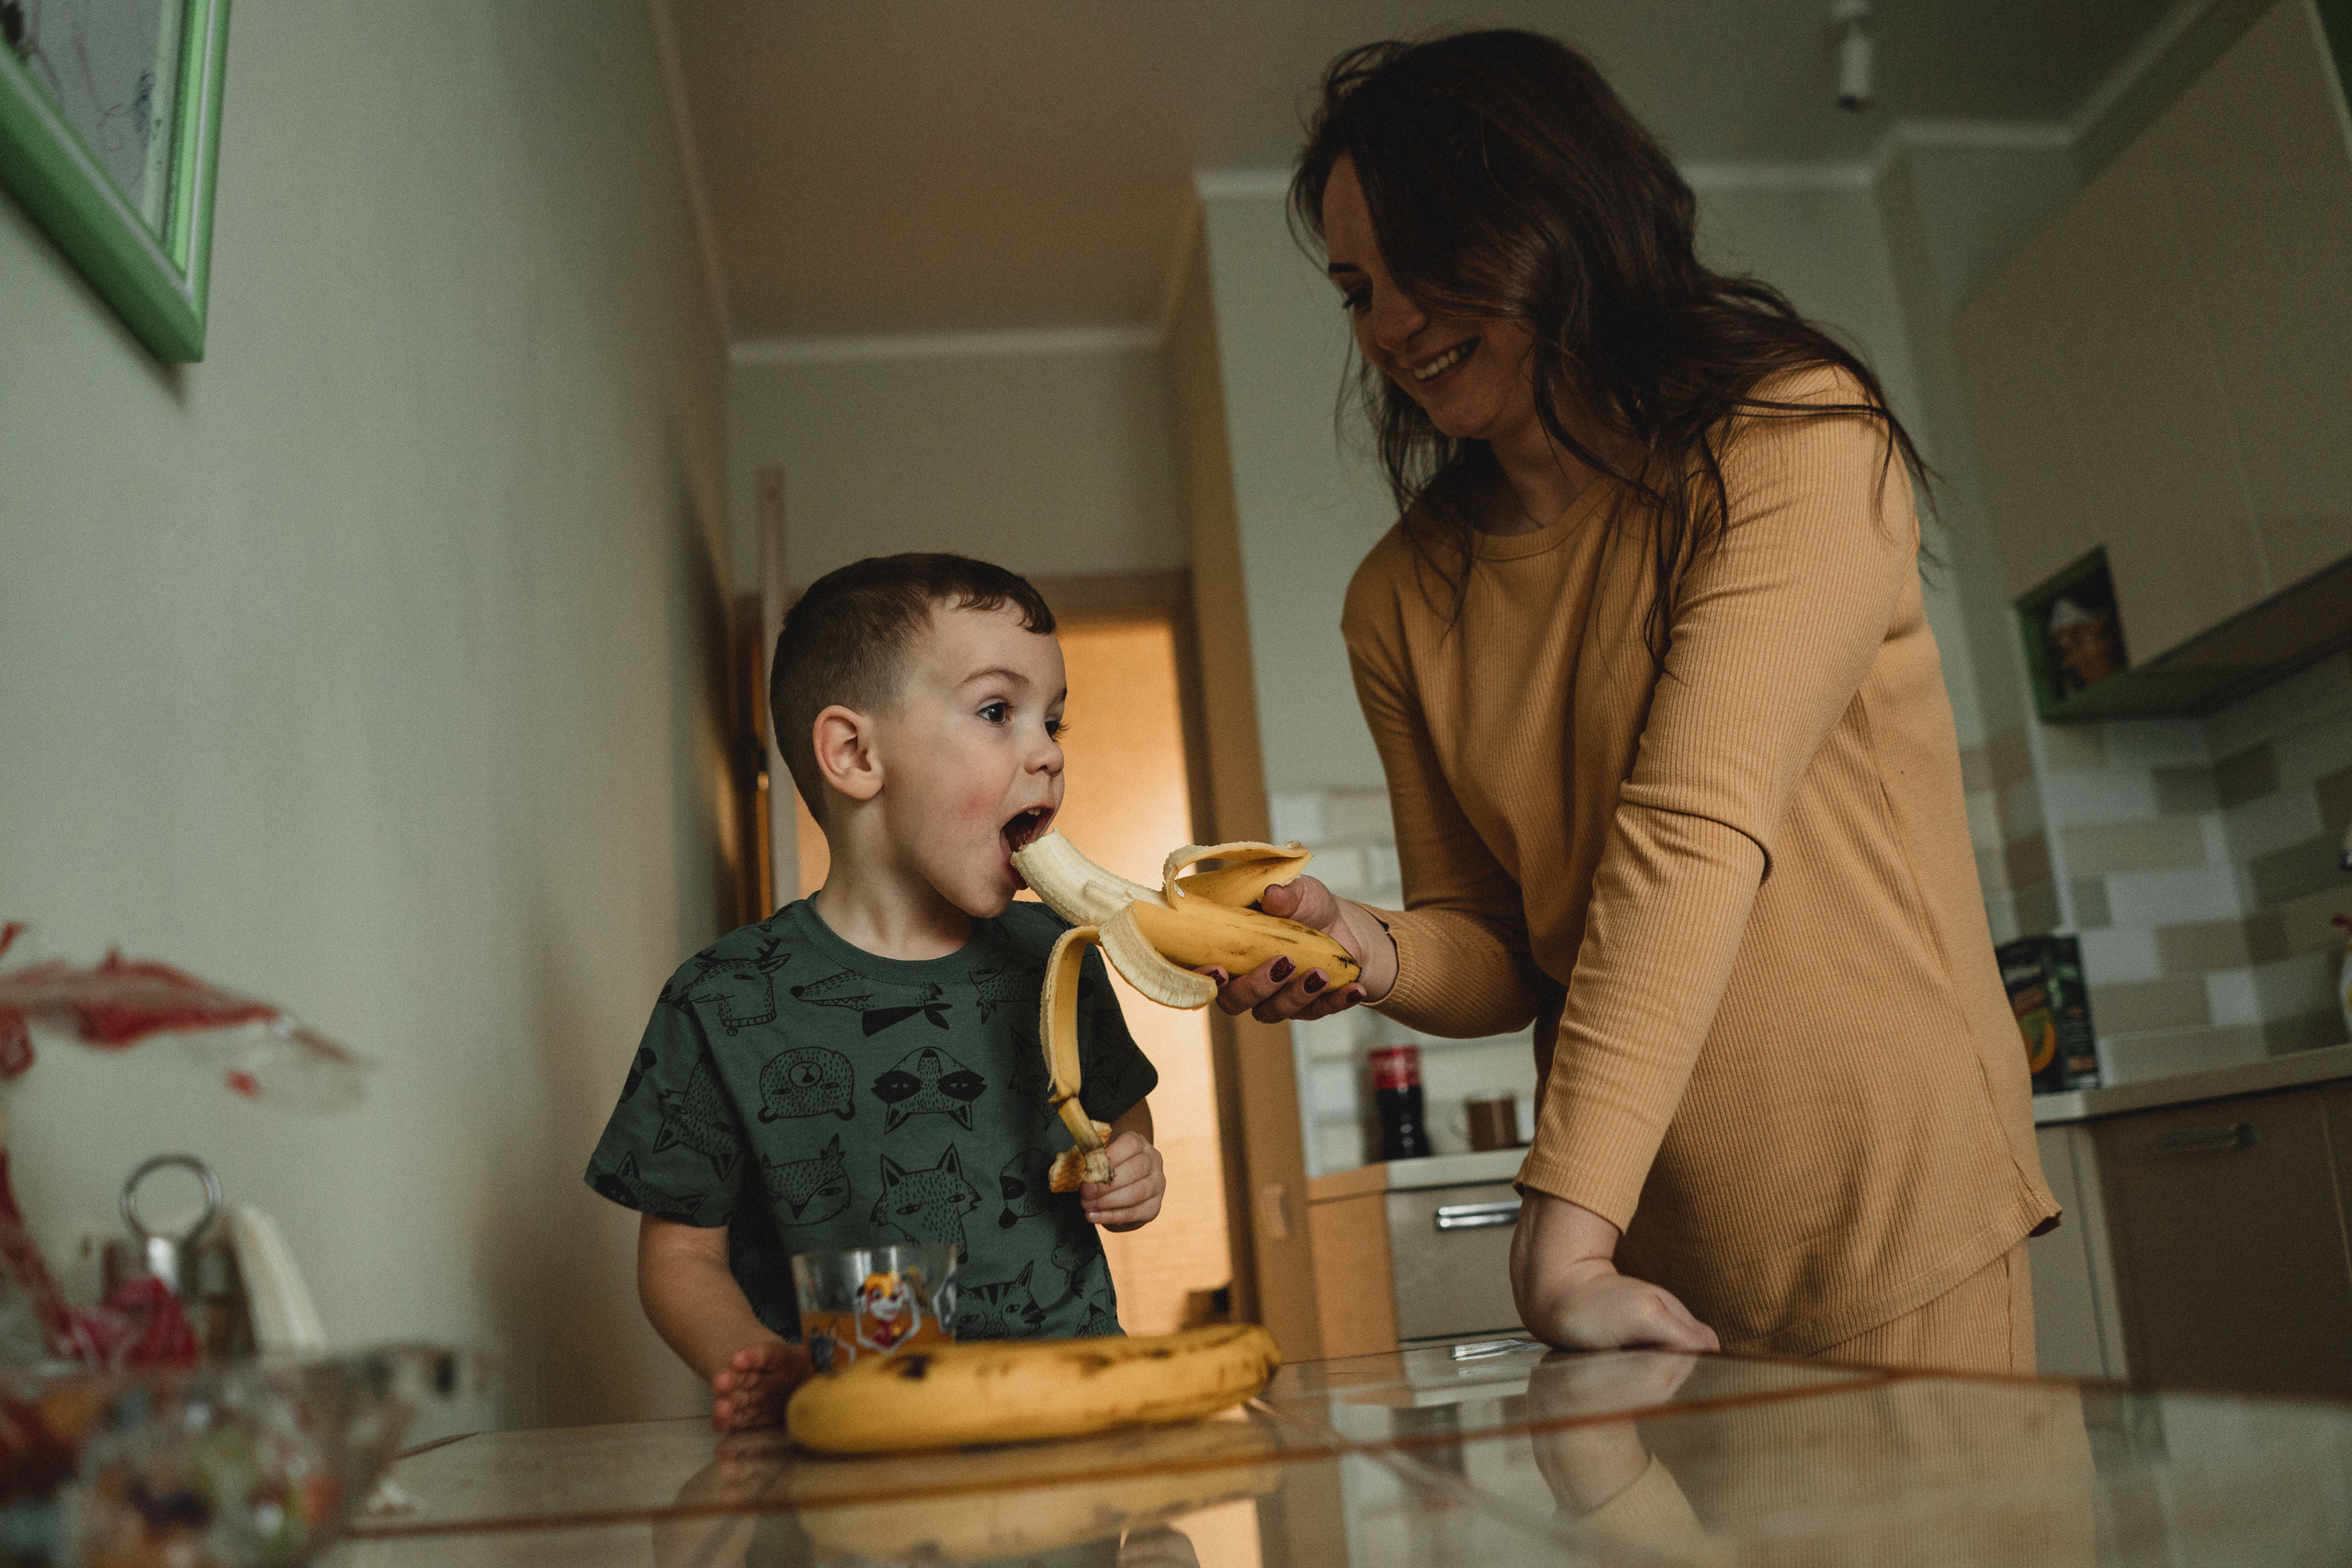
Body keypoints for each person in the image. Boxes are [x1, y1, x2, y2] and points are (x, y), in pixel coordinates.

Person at [1209, 31, 2058, 1371]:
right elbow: (1500, 945)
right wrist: (1364, 945)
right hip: (1650, 1244)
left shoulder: (1794, 439)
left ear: (1560, 215)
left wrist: (1560, 1232)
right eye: (1358, 289)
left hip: (1892, 1198)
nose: (1389, 325)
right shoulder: (1398, 598)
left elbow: (1692, 828)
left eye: (1427, 262)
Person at [586, 553, 1165, 1430]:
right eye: (997, 711)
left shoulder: (1057, 955)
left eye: (1054, 721)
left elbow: (1120, 1113)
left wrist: (1133, 1162)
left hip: (1075, 1416)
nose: (1048, 753)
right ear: (855, 754)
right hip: (857, 1436)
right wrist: (752, 1355)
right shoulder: (720, 998)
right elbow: (679, 1256)